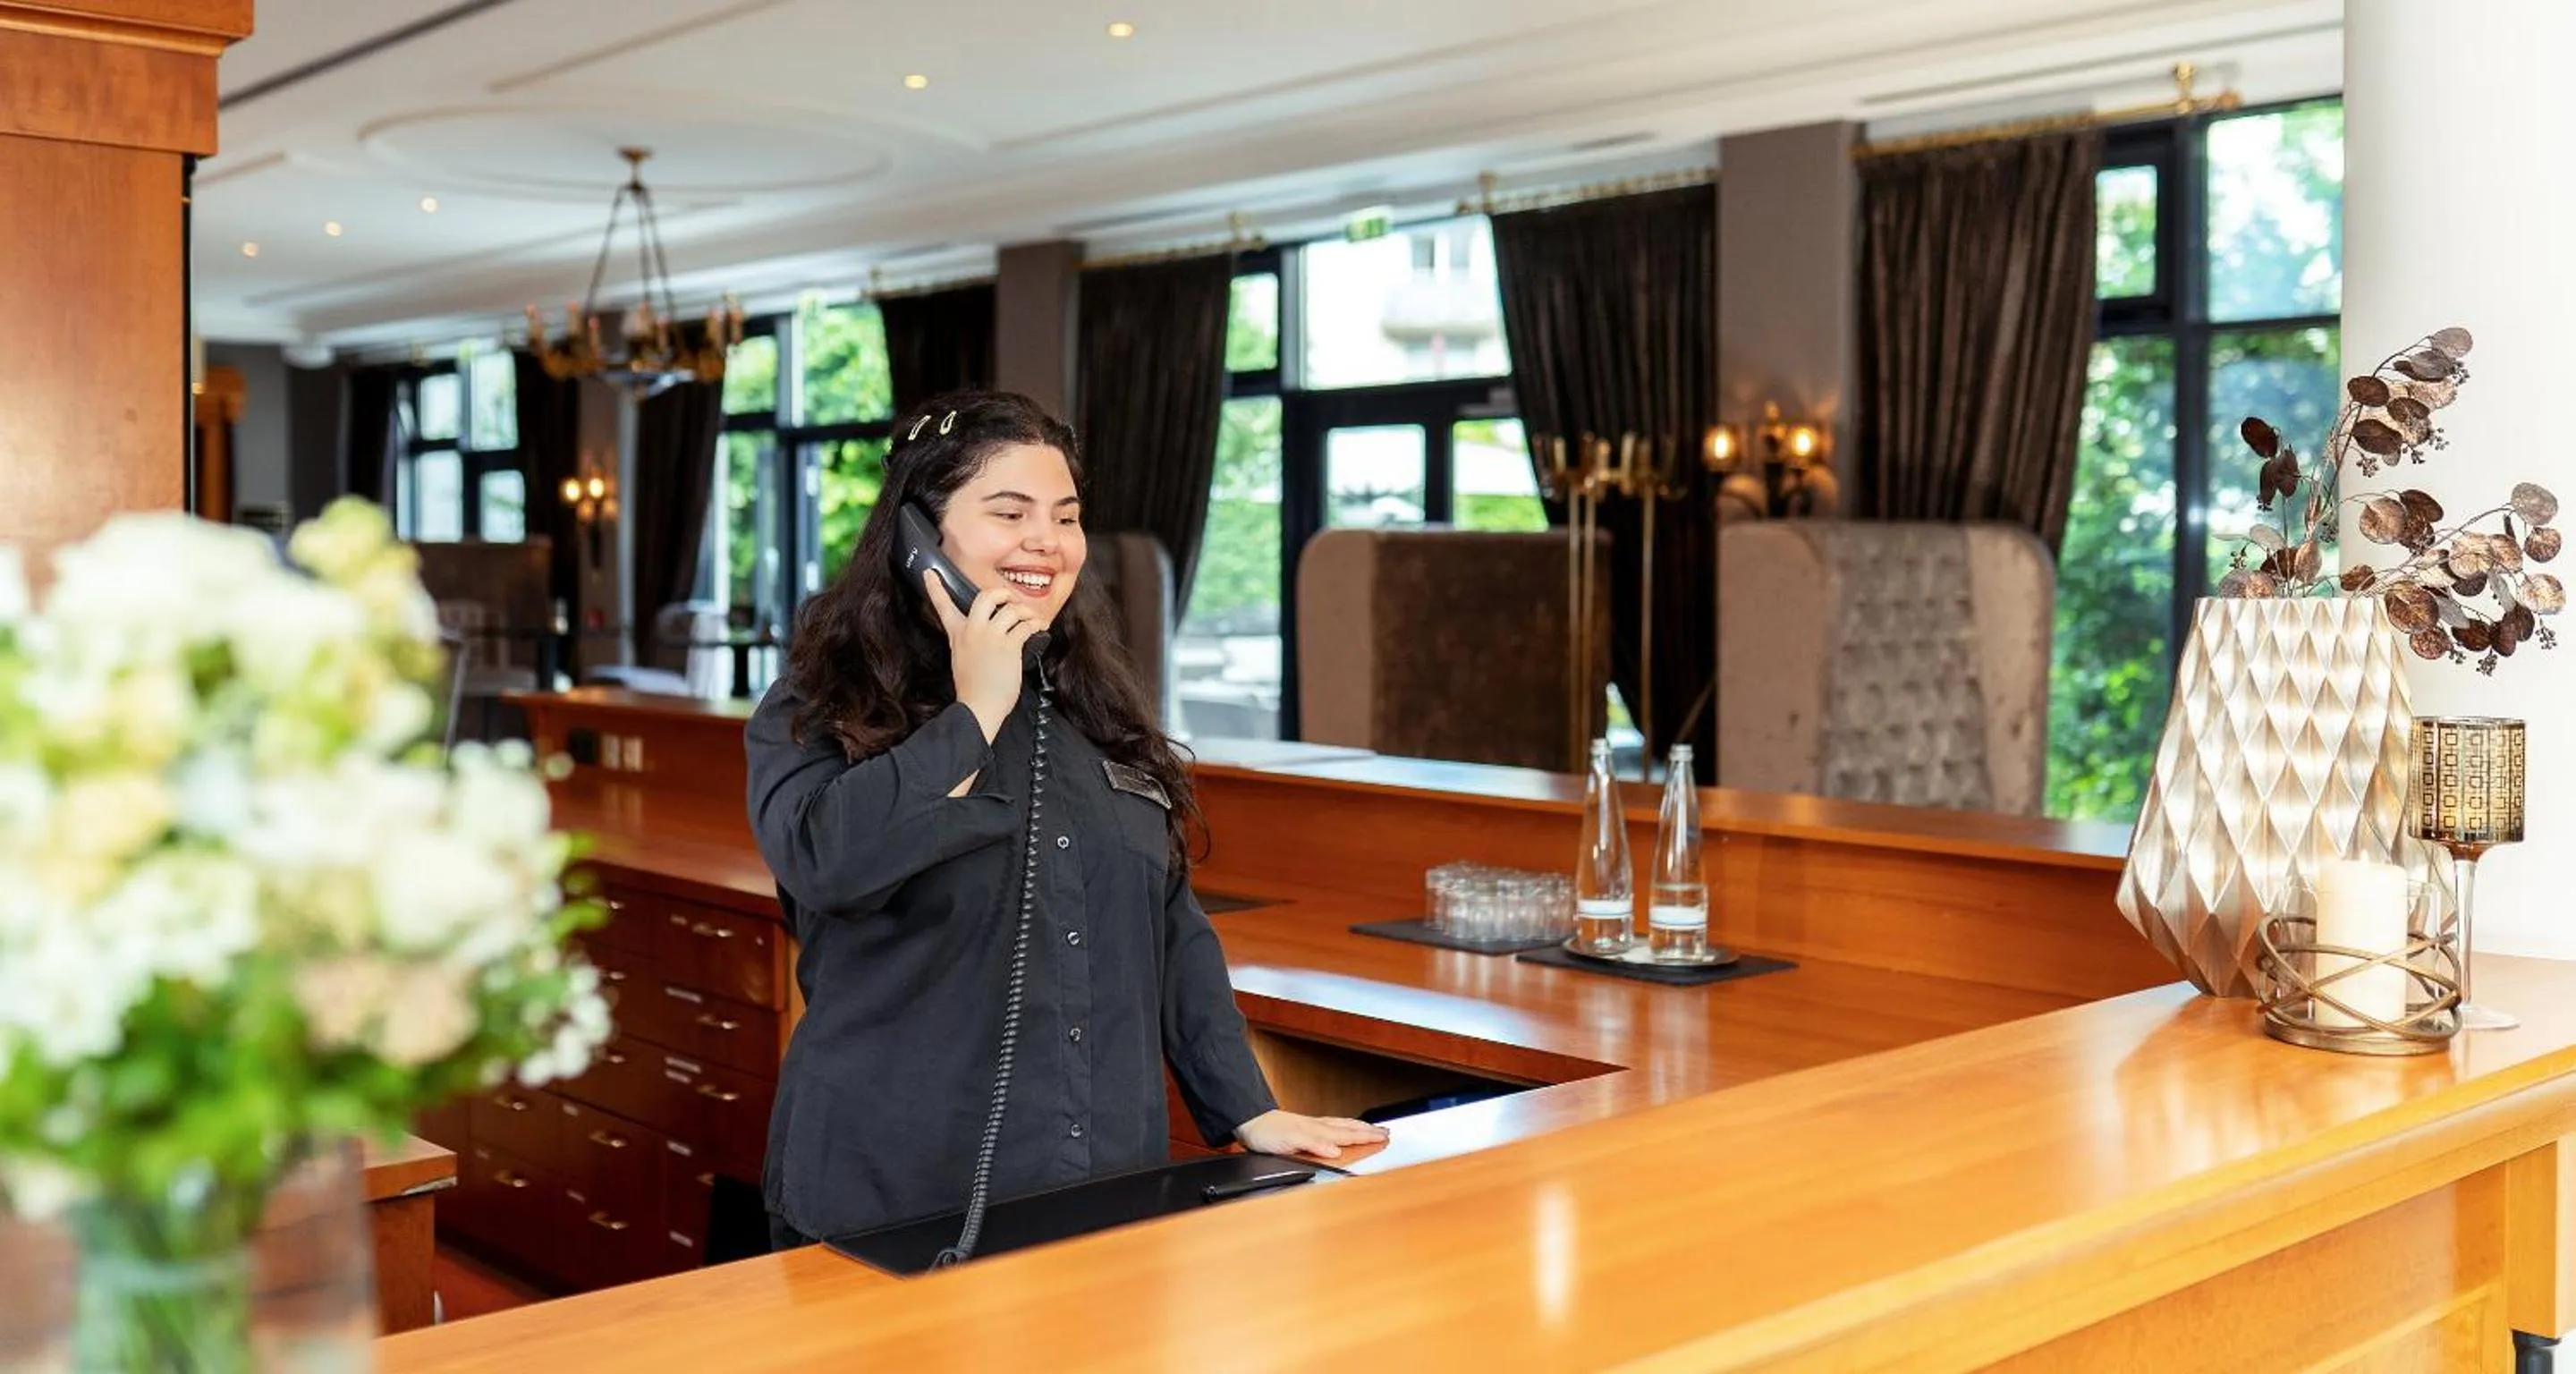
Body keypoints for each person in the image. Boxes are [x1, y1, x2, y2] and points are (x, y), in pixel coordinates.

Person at [746, 390, 1386, 1252]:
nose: (1045, 541)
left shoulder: (1092, 707)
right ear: (918, 536)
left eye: (1066, 516)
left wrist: (1248, 1107)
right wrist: (974, 713)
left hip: (1101, 1192)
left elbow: (1169, 925)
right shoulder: (824, 701)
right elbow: (827, 861)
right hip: (889, 1198)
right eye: (1009, 513)